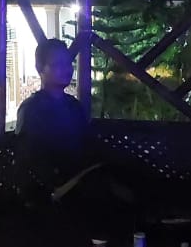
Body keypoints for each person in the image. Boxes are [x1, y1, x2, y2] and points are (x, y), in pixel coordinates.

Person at [15, 38, 133, 213]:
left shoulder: (73, 105)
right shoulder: (32, 109)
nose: (66, 69)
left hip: (83, 175)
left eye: (67, 63)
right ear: (40, 69)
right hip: (57, 188)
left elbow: (87, 143)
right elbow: (31, 159)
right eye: (57, 64)